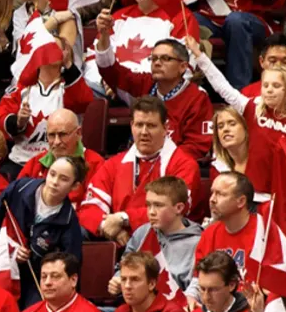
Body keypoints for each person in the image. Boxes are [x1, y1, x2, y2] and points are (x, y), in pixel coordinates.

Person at [79, 97, 201, 244]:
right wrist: (110, 228)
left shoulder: (184, 164)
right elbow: (89, 208)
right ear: (131, 126)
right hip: (119, 243)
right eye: (139, 125)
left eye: (151, 125)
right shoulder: (114, 164)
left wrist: (124, 219)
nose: (144, 132)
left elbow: (174, 210)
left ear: (165, 128)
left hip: (167, 244)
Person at [0, 157, 88, 306]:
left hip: (37, 281)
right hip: (5, 268)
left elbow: (69, 264)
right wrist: (9, 249)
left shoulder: (69, 223)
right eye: (52, 174)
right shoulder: (19, 188)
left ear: (75, 186)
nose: (54, 182)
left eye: (64, 179)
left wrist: (40, 261)